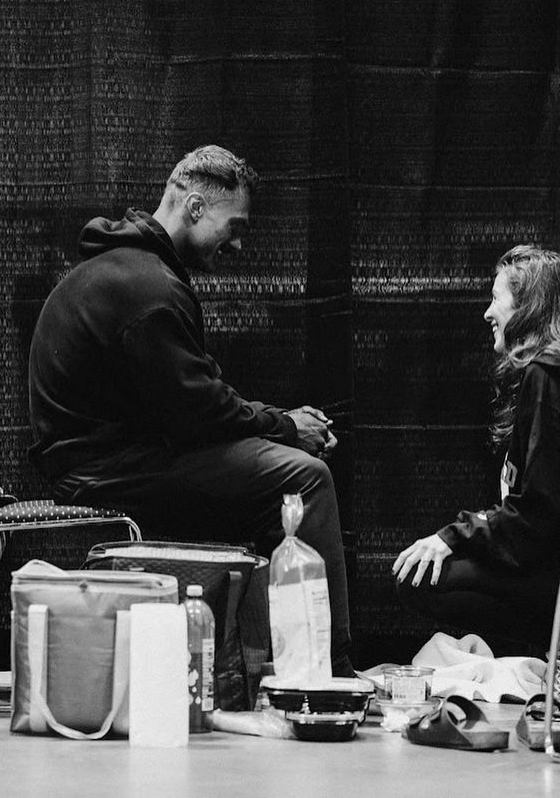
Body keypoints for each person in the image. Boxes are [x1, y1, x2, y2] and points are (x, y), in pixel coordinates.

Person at [28, 144, 353, 676]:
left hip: (117, 458)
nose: (240, 243)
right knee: (303, 480)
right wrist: (287, 427)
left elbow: (194, 401)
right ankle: (328, 672)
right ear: (196, 207)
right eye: (236, 224)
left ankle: (265, 665)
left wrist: (279, 423)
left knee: (276, 464)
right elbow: (200, 414)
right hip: (108, 474)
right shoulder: (147, 287)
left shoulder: (128, 271)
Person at [393, 245, 560, 717]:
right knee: (435, 569)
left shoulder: (550, 376)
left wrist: (452, 536)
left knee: (426, 579)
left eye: (497, 298)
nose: (487, 312)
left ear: (528, 306)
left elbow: (540, 515)